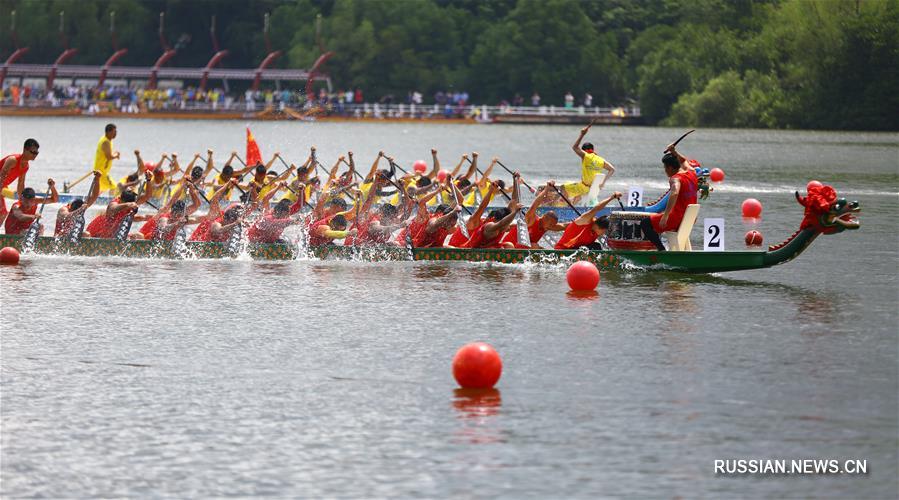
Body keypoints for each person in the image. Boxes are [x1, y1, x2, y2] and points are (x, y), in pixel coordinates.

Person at [641, 145, 699, 251]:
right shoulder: (692, 173)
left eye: (665, 168)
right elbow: (684, 160)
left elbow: (674, 192)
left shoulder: (676, 178)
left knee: (645, 223)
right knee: (656, 220)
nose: (665, 171)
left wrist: (665, 216)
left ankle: (661, 250)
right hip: (690, 218)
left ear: (670, 168)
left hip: (676, 218)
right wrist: (674, 151)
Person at [564, 121, 616, 203]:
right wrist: (603, 183)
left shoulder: (586, 156)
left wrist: (582, 134)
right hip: (592, 188)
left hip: (584, 187)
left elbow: (575, 147)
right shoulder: (601, 160)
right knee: (577, 192)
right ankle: (572, 205)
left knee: (562, 188)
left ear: (584, 151)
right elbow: (612, 169)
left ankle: (562, 208)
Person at [554, 192, 623, 250]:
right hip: (563, 250)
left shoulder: (597, 230)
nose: (604, 234)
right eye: (604, 231)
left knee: (596, 246)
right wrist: (612, 197)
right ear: (599, 227)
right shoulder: (585, 220)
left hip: (576, 248)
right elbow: (596, 209)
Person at [0, 138, 40, 226]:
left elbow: (21, 184)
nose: (35, 155)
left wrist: (21, 200)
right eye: (33, 152)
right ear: (25, 150)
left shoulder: (26, 166)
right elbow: (1, 177)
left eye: (36, 153)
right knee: (2, 213)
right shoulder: (12, 160)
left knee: (3, 214)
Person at [55, 171, 102, 238]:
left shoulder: (82, 207)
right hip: (60, 237)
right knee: (63, 233)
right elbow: (66, 216)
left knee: (86, 234)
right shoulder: (63, 209)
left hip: (73, 236)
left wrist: (97, 179)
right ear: (70, 208)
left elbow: (94, 196)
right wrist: (80, 209)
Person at [94, 123, 120, 194]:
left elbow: (108, 154)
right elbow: (109, 156)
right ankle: (110, 202)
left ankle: (97, 200)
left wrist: (114, 154)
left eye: (116, 132)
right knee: (113, 187)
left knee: (101, 188)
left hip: (102, 170)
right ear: (108, 132)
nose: (115, 134)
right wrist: (116, 155)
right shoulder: (105, 142)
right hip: (101, 171)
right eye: (114, 132)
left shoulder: (108, 140)